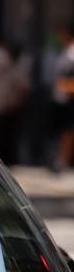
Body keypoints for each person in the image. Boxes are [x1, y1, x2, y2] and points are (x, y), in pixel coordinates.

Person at [52, 24, 74, 173]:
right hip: (63, 99)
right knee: (64, 131)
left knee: (68, 131)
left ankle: (63, 160)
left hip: (70, 98)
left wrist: (67, 86)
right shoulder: (65, 51)